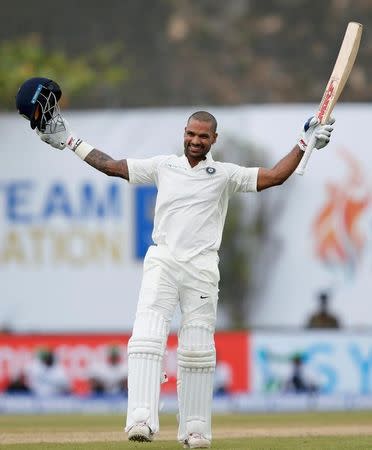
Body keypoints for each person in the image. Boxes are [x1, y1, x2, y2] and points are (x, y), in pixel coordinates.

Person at [15, 77, 335, 449]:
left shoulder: (225, 175)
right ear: (184, 133)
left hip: (202, 268)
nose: (195, 141)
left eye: (203, 136)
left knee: (198, 349)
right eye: (191, 134)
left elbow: (276, 176)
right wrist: (71, 141)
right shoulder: (163, 166)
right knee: (147, 336)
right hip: (163, 261)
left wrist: (305, 141)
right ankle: (140, 420)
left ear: (213, 140)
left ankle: (195, 430)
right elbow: (113, 166)